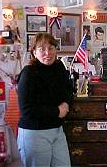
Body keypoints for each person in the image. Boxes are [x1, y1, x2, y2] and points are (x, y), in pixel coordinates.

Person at [17, 33, 73, 167]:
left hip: (57, 131)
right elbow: (27, 110)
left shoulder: (59, 68)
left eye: (51, 48)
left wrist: (66, 103)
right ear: (34, 52)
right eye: (42, 49)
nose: (47, 53)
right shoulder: (28, 73)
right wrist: (56, 111)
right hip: (35, 133)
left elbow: (69, 91)